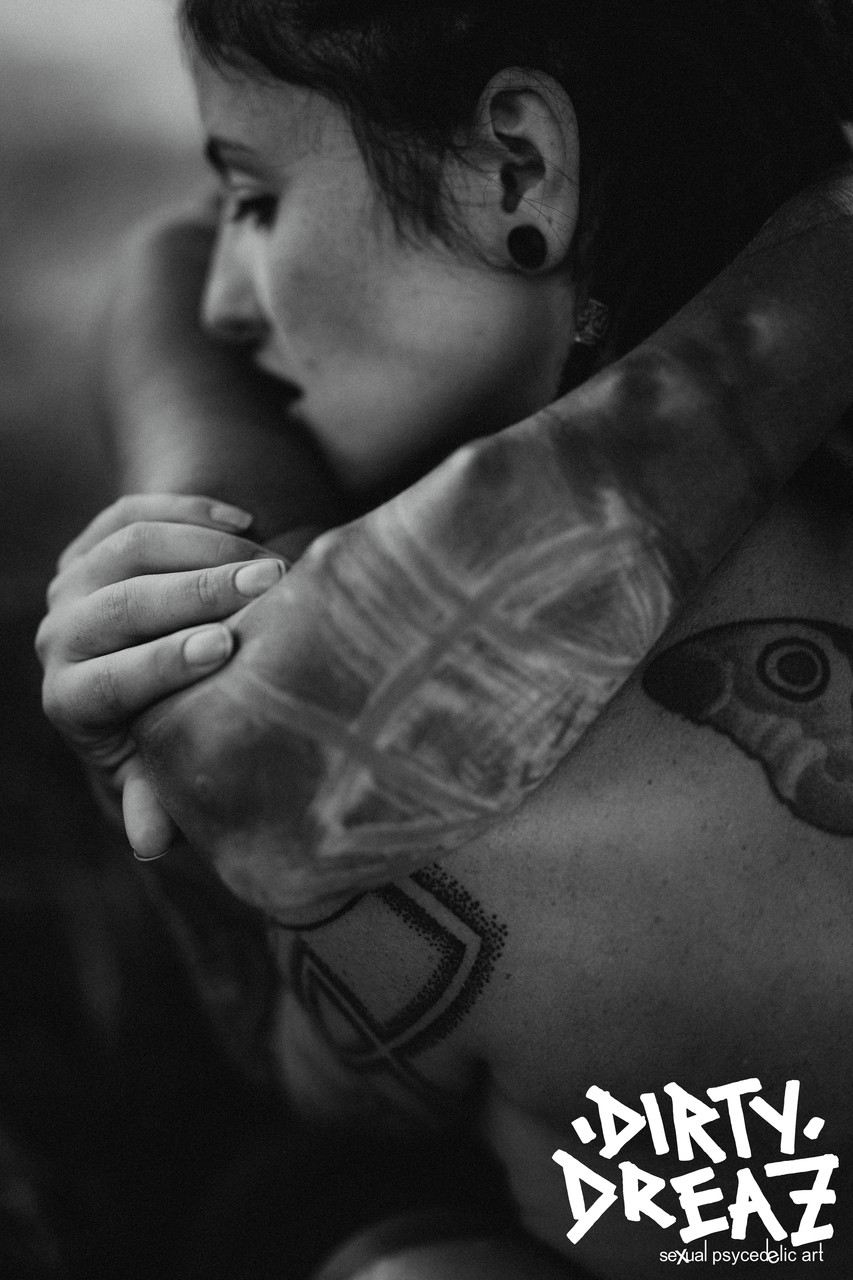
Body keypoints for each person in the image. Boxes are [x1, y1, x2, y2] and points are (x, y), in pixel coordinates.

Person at [36, 1, 853, 1275]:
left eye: (257, 202)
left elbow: (315, 1084)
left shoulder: (396, 775)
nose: (226, 298)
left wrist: (220, 658)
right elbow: (162, 270)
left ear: (516, 170)